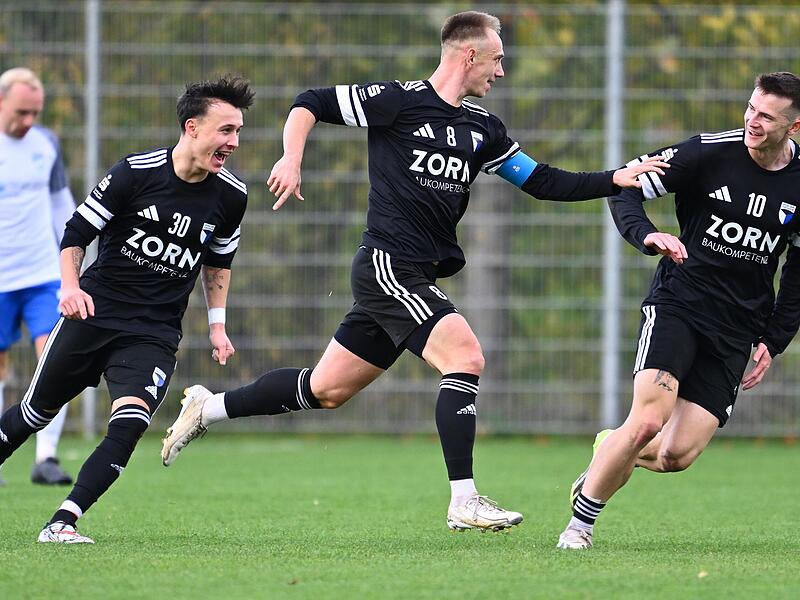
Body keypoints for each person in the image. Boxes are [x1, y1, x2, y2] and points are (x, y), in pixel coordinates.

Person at [161, 11, 666, 532]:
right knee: (466, 356)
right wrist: (291, 159)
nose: (501, 72)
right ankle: (463, 499)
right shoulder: (398, 101)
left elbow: (541, 181)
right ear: (468, 55)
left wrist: (614, 179)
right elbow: (308, 102)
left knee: (325, 390)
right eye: (496, 60)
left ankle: (209, 408)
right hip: (387, 266)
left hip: (415, 273)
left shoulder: (484, 129)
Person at [0, 75, 255, 544]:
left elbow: (218, 264)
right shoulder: (135, 173)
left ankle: (62, 522)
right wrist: (70, 287)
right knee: (34, 414)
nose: (234, 142)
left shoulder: (232, 196)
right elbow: (76, 233)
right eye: (226, 130)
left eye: (238, 131)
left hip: (153, 334)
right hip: (92, 315)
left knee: (131, 422)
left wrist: (218, 328)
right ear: (192, 127)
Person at [557, 71, 800, 550]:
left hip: (737, 327)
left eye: (767, 117)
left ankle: (611, 447)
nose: (752, 121)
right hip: (679, 304)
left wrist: (774, 340)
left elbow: (797, 272)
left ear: (794, 127)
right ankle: (579, 527)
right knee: (648, 419)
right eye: (750, 109)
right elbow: (624, 186)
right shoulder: (706, 152)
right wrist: (646, 235)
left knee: (675, 455)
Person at [0, 67, 75, 486]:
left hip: (43, 273)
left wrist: (75, 267)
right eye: (22, 112)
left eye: (36, 113)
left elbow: (61, 204)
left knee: (56, 358)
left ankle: (46, 457)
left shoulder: (45, 144)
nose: (29, 122)